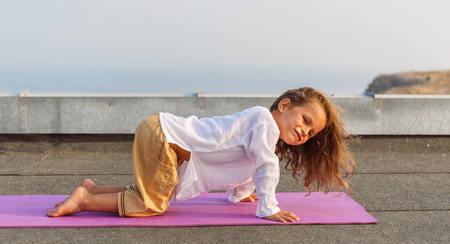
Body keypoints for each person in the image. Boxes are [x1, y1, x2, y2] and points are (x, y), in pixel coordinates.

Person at [47, 87, 354, 223]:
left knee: (146, 193)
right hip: (164, 138)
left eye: (311, 133)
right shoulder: (263, 120)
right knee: (151, 205)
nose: (305, 132)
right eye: (305, 121)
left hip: (160, 133)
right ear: (285, 106)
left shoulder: (262, 134)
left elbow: (246, 169)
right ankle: (83, 202)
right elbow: (265, 166)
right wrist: (268, 207)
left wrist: (242, 196)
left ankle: (92, 189)